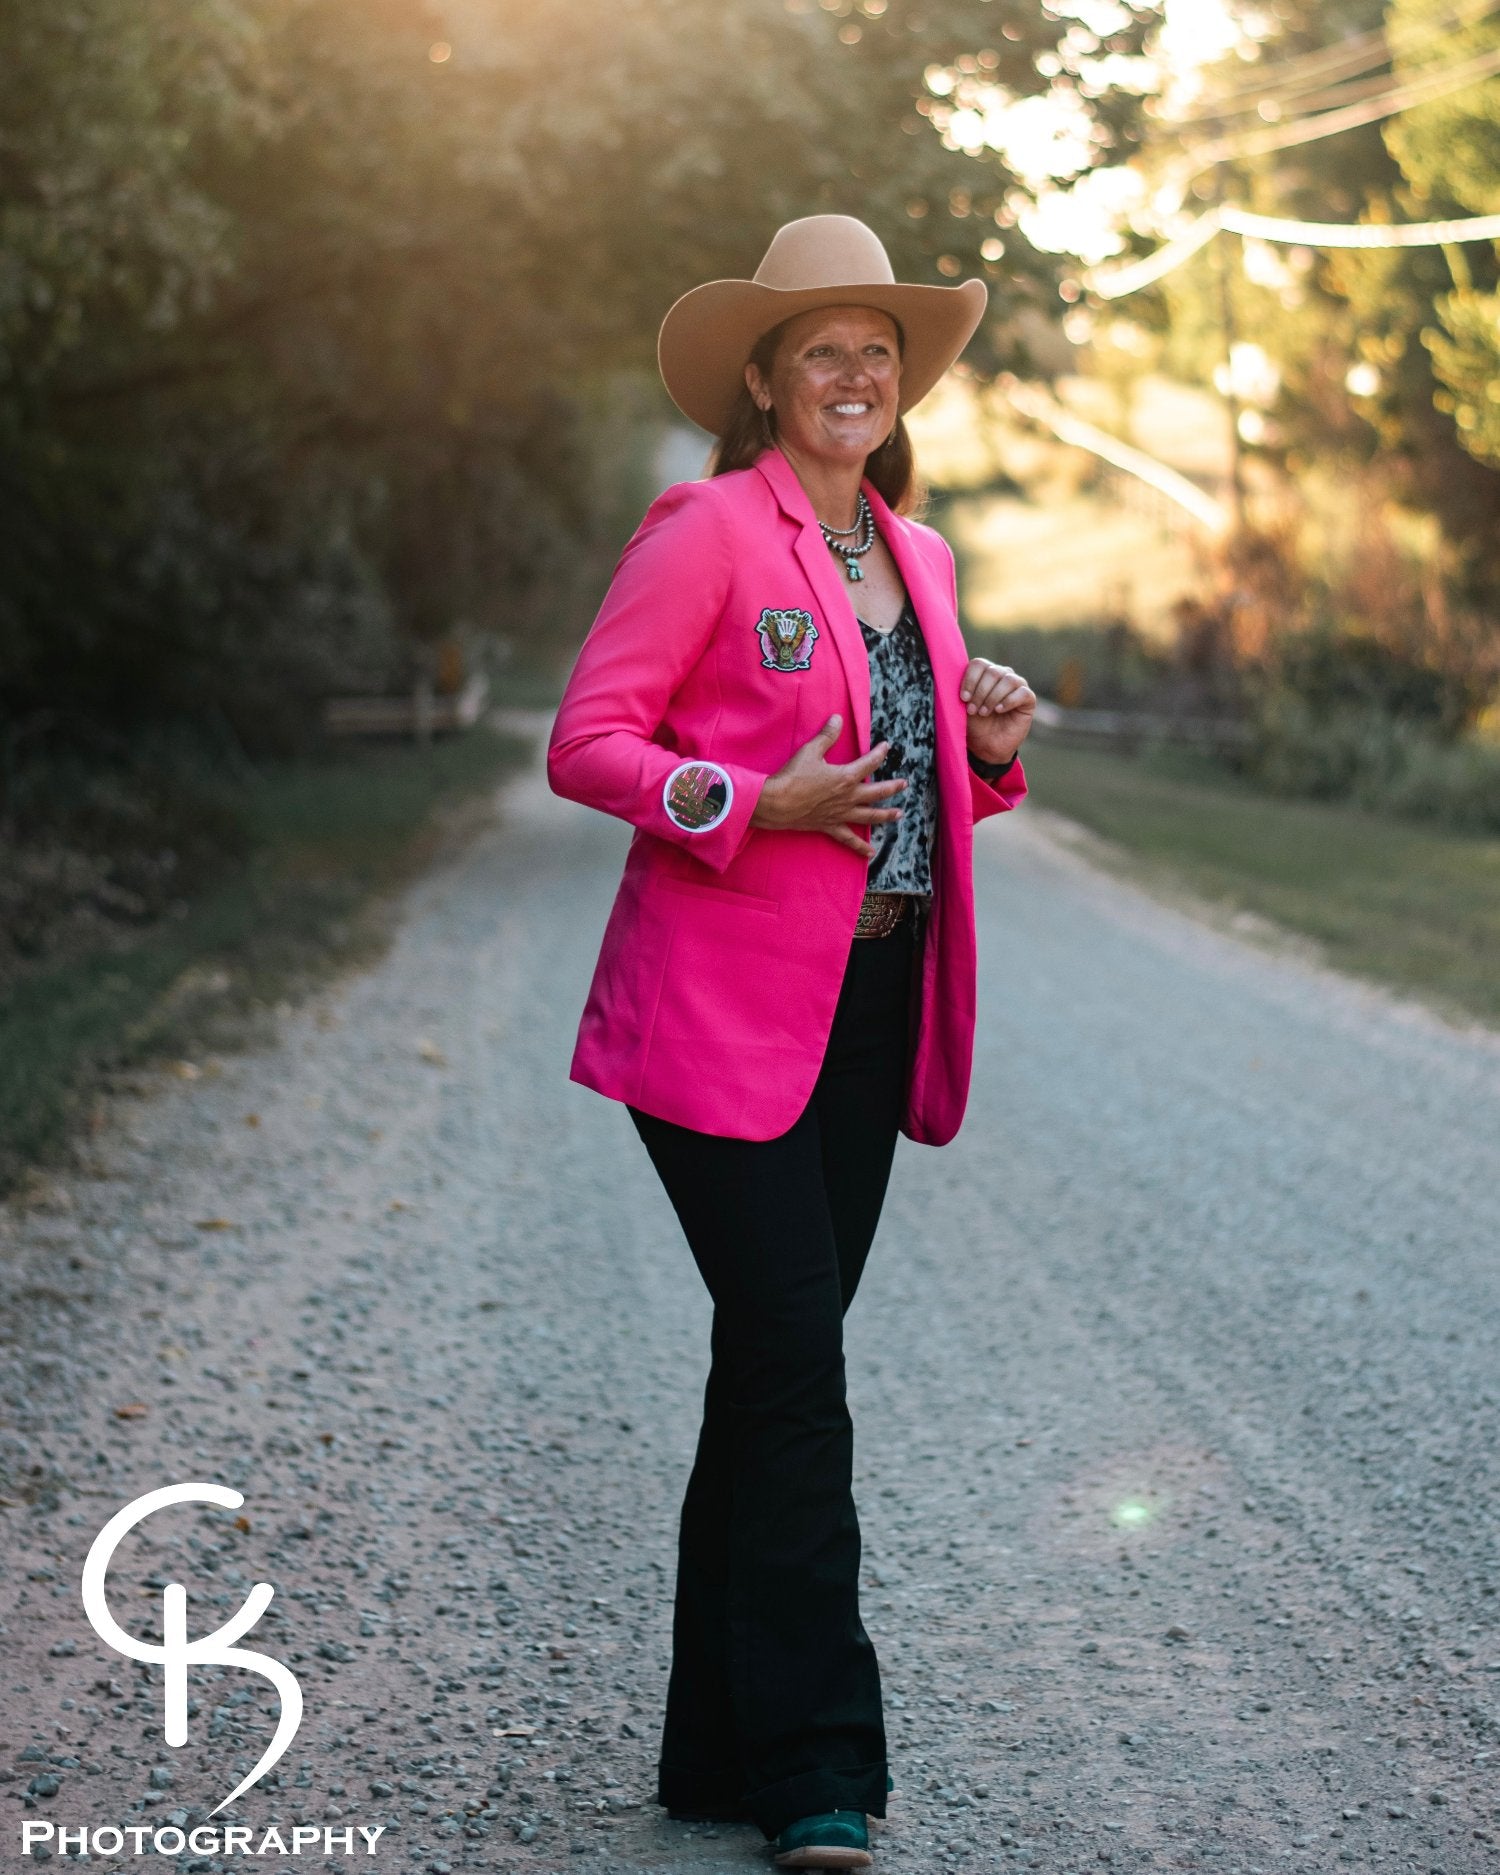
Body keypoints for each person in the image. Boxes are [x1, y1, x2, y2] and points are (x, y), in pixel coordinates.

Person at [546, 214, 1035, 1872]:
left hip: (870, 1005)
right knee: (801, 1368)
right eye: (822, 346)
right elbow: (589, 744)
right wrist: (757, 806)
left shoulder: (928, 558)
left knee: (768, 1370)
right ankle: (822, 1767)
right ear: (763, 378)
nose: (856, 372)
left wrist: (984, 748)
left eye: (877, 350)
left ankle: (712, 1747)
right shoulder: (702, 529)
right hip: (715, 1019)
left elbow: (907, 800)